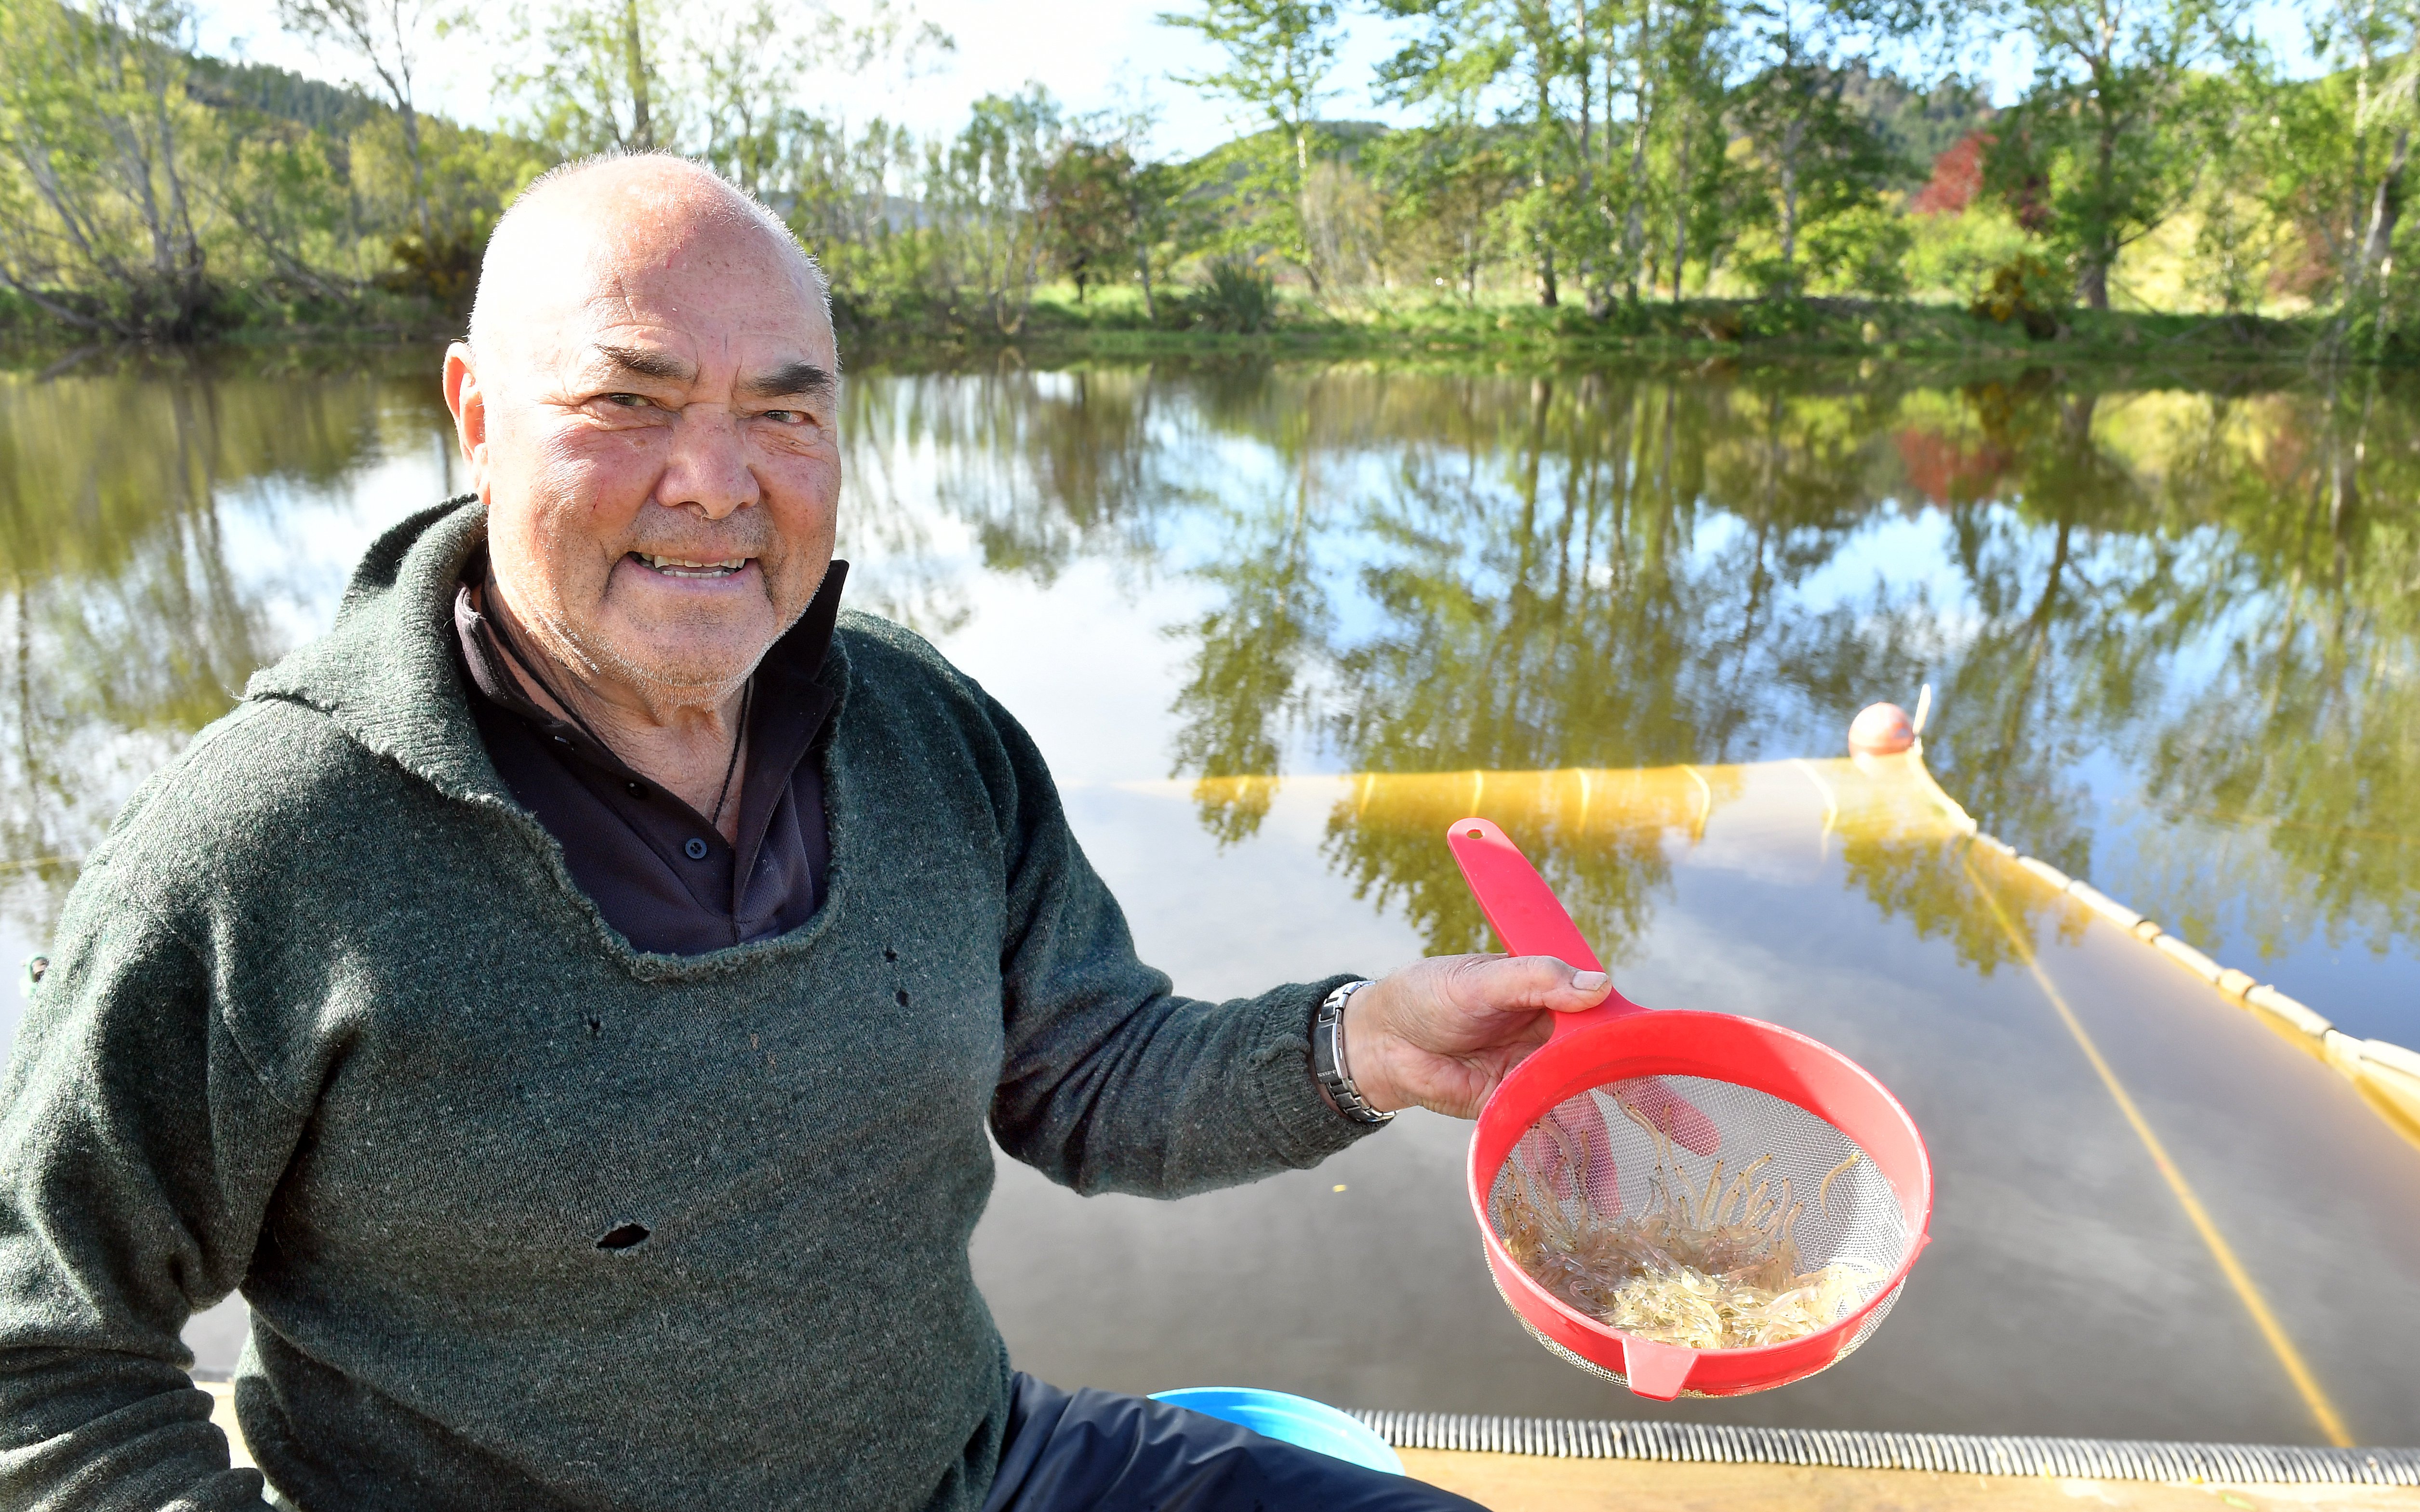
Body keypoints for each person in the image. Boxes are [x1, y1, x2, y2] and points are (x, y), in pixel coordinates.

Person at [0, 154, 1614, 1512]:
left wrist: (1370, 1045)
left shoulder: (922, 727)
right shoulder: (266, 838)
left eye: (785, 414)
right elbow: (42, 1365)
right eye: (629, 399)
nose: (717, 482)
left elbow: (1094, 1073)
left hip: (986, 1468)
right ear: (477, 413)